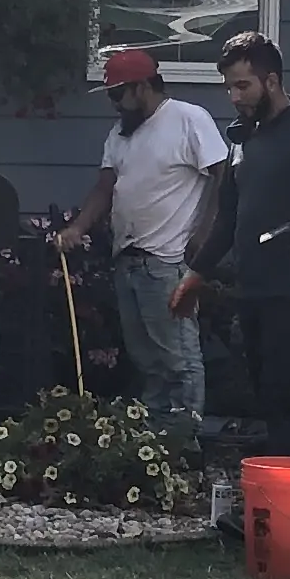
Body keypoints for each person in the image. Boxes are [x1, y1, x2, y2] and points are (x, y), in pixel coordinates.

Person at [178, 29, 290, 454]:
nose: (234, 97)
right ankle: (272, 497)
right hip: (250, 290)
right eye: (229, 87)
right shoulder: (245, 138)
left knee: (283, 398)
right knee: (261, 397)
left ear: (271, 81)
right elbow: (228, 217)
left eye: (243, 85)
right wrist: (195, 274)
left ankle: (289, 500)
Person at [58, 45, 226, 429]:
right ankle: (153, 443)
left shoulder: (187, 119)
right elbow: (105, 187)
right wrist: (77, 228)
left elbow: (224, 175)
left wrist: (205, 232)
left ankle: (185, 442)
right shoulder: (120, 133)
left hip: (168, 261)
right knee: (146, 359)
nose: (115, 104)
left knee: (178, 356)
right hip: (128, 259)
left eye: (119, 94)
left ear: (143, 86)